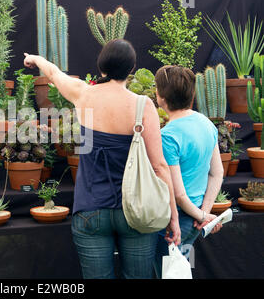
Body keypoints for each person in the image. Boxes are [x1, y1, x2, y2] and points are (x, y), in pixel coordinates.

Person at [23, 39, 181, 279]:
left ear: (101, 67)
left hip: (91, 209)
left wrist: (35, 59)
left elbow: (54, 74)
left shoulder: (83, 94)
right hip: (136, 211)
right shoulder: (142, 106)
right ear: (132, 68)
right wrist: (173, 216)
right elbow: (159, 167)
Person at [154, 65, 224, 278]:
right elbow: (217, 172)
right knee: (181, 270)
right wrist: (204, 213)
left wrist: (203, 215)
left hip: (175, 222)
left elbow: (177, 193)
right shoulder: (207, 124)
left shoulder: (167, 136)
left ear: (162, 98)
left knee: (167, 273)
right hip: (195, 221)